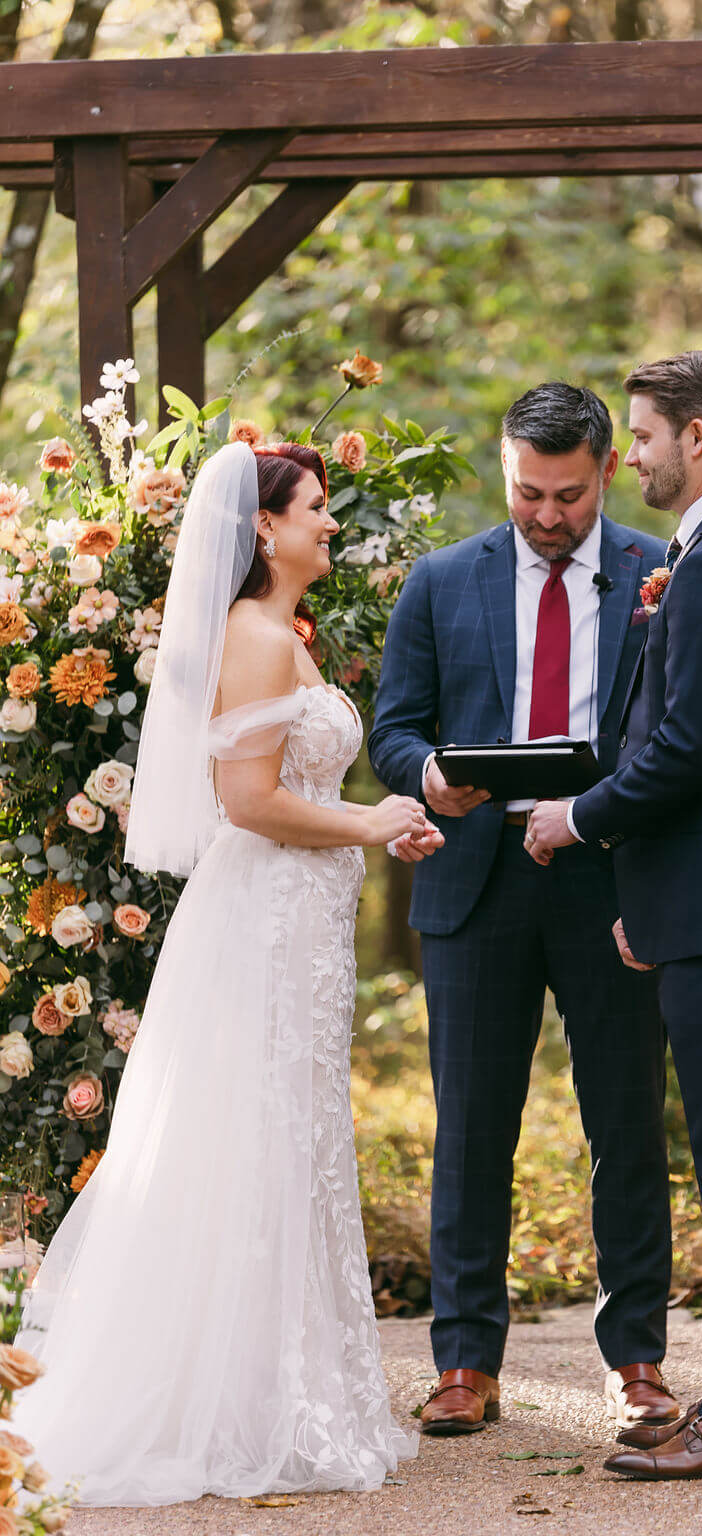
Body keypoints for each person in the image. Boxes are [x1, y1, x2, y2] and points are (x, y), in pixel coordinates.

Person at [17, 440, 442, 1505]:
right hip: (260, 921)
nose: (331, 525)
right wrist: (369, 822)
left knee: (285, 1137)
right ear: (263, 527)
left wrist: (378, 827)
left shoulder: (281, 636)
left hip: (298, 922)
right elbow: (247, 801)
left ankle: (276, 1394)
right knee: (247, 1138)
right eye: (315, 509)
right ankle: (224, 1406)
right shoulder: (253, 639)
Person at [368, 383, 678, 1435]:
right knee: (470, 1135)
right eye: (525, 493)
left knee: (628, 1126)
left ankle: (637, 1359)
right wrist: (432, 775)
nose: (545, 515)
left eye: (567, 495)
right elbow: (394, 727)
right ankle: (464, 1365)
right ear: (503, 471)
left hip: (609, 879)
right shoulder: (441, 579)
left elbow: (679, 727)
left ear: (603, 471)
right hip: (475, 879)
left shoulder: (658, 575)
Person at [527, 352, 702, 1481]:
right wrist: (649, 898)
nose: (627, 454)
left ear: (698, 439)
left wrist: (575, 823)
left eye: (640, 436)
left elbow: (687, 754)